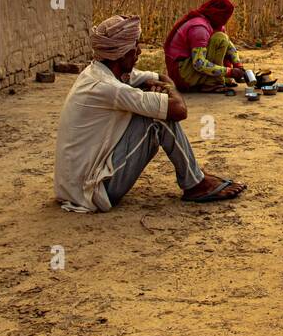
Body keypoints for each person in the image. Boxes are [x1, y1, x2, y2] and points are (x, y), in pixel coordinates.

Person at [54, 14, 245, 212]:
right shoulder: (109, 86)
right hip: (91, 191)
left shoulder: (104, 72)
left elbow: (162, 77)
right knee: (157, 119)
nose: (139, 51)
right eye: (135, 46)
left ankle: (194, 176)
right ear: (121, 53)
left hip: (74, 186)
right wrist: (168, 93)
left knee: (155, 109)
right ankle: (195, 184)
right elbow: (179, 111)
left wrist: (163, 90)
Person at [163, 0, 265, 93]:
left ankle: (213, 80)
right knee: (219, 38)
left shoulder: (214, 24)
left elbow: (229, 45)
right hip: (182, 75)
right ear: (218, 14)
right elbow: (199, 64)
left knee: (222, 38)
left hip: (187, 69)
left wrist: (238, 65)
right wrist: (230, 72)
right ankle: (211, 83)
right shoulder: (199, 28)